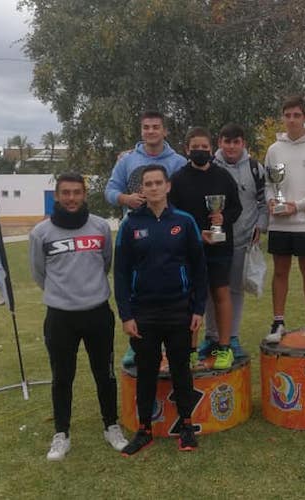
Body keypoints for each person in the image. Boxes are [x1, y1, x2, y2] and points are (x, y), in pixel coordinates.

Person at [29, 172, 127, 461]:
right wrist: (63, 295)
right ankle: (61, 434)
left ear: (85, 194)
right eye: (65, 193)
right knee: (62, 377)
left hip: (97, 313)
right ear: (57, 196)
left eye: (76, 192)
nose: (71, 198)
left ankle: (111, 426)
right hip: (60, 317)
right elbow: (38, 272)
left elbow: (106, 263)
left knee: (105, 375)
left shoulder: (99, 227)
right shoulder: (41, 233)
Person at [114, 165, 207, 456]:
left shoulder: (184, 221)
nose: (153, 188)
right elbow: (120, 273)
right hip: (144, 313)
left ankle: (187, 427)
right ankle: (144, 430)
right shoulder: (130, 225)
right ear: (141, 190)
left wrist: (198, 308)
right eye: (148, 184)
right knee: (147, 371)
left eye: (158, 183)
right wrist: (126, 315)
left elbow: (199, 268)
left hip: (179, 309)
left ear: (167, 186)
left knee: (181, 368)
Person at [105, 110, 186, 368]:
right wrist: (125, 199)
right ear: (141, 131)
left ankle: (176, 349)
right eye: (146, 127)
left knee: (171, 289)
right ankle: (136, 345)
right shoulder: (127, 160)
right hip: (135, 234)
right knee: (135, 288)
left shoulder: (178, 162)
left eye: (156, 127)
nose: (151, 131)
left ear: (165, 131)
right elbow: (110, 190)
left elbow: (186, 195)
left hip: (171, 236)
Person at [169, 127, 242, 370]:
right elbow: (173, 215)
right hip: (189, 249)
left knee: (222, 295)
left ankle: (224, 347)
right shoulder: (177, 180)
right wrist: (196, 234)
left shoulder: (223, 176)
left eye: (204, 147)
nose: (200, 151)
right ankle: (190, 352)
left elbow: (236, 208)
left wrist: (224, 219)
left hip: (220, 247)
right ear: (186, 149)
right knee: (191, 300)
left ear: (212, 148)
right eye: (195, 147)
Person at [263, 95, 305, 343]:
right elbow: (270, 185)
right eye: (287, 115)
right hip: (280, 224)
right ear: (283, 117)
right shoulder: (273, 149)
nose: (291, 120)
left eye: (296, 115)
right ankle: (278, 322)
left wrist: (299, 206)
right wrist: (273, 201)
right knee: (280, 272)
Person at [197, 123, 268, 359]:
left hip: (241, 240)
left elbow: (262, 201)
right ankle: (212, 337)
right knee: (210, 290)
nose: (231, 146)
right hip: (213, 240)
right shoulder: (209, 165)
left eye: (236, 142)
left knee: (234, 291)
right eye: (227, 141)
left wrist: (261, 224)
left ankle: (233, 336)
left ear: (243, 143)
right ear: (219, 143)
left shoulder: (255, 167)